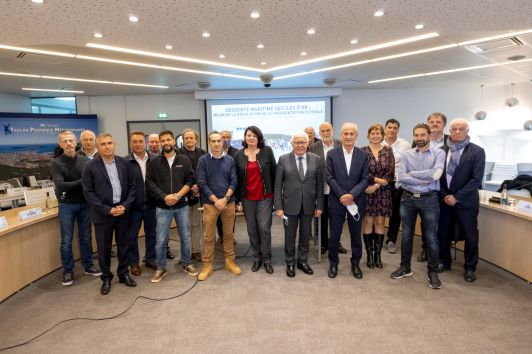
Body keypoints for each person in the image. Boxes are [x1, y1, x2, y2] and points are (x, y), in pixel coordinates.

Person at [391, 123, 445, 290]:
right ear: (413, 137)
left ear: (429, 135)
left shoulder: (439, 153)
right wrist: (423, 178)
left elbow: (436, 174)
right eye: (416, 135)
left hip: (429, 200)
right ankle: (405, 268)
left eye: (423, 135)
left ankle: (433, 272)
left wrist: (412, 174)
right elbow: (401, 177)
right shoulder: (407, 154)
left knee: (431, 238)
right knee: (406, 236)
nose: (419, 138)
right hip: (407, 199)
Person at [81, 133, 137, 295]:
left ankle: (123, 274)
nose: (107, 146)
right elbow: (88, 192)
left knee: (123, 245)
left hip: (122, 212)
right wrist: (107, 209)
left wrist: (125, 206)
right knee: (104, 249)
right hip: (102, 214)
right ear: (97, 147)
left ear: (114, 144)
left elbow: (133, 187)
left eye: (110, 143)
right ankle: (106, 278)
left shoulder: (124, 162)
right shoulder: (90, 166)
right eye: (103, 144)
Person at [146, 130, 198, 283]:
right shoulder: (154, 162)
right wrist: (165, 197)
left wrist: (178, 196)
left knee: (185, 237)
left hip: (181, 205)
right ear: (160, 143)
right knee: (161, 240)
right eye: (163, 141)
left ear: (174, 141)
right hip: (162, 206)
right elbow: (150, 183)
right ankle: (161, 268)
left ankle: (187, 264)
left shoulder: (184, 159)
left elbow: (190, 180)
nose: (166, 143)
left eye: (168, 140)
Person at [437, 118, 485, 282]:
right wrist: (446, 195)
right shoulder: (440, 150)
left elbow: (476, 180)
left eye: (461, 129)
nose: (457, 132)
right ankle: (444, 261)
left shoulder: (477, 152)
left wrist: (456, 197)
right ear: (449, 131)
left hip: (466, 202)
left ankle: (470, 268)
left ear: (467, 131)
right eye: (454, 129)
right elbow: (437, 177)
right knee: (443, 233)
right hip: (444, 200)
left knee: (470, 236)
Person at [51, 131, 101, 286]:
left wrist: (81, 183)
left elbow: (92, 181)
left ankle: (88, 265)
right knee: (66, 240)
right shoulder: (56, 163)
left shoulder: (84, 160)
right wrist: (82, 182)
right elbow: (60, 186)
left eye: (71, 140)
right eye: (65, 141)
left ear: (75, 142)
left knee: (86, 237)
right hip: (66, 206)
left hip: (85, 204)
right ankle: (67, 271)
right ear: (60, 144)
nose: (68, 144)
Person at [274, 131, 323, 277]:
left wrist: (319, 205)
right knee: (290, 235)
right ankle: (290, 262)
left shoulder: (316, 159)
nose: (300, 145)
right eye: (297, 142)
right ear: (292, 144)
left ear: (308, 144)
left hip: (309, 205)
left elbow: (320, 185)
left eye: (303, 142)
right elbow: (278, 186)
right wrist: (278, 207)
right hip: (289, 205)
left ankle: (302, 261)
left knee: (305, 235)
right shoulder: (283, 159)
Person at [196, 131, 241, 281]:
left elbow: (234, 181)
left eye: (218, 141)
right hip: (210, 203)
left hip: (228, 202)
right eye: (213, 141)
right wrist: (216, 200)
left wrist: (225, 198)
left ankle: (230, 261)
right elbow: (202, 183)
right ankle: (207, 265)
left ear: (223, 142)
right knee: (209, 236)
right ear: (208, 143)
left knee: (228, 235)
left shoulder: (230, 160)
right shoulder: (202, 160)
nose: (216, 143)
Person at [326, 123, 369, 279]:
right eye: (346, 133)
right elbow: (329, 178)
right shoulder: (331, 154)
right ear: (341, 135)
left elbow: (365, 179)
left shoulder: (363, 155)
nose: (349, 136)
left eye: (352, 134)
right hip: (336, 201)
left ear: (356, 136)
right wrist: (344, 196)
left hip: (356, 201)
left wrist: (352, 196)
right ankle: (333, 264)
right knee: (335, 234)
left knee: (355, 235)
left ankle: (355, 264)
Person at [234, 126, 276, 273]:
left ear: (259, 137)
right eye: (248, 135)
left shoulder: (267, 151)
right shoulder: (238, 155)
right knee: (252, 229)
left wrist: (277, 198)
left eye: (254, 135)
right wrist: (238, 200)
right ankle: (257, 258)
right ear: (245, 138)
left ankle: (267, 259)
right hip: (247, 198)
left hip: (266, 196)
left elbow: (274, 174)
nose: (251, 138)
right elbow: (237, 180)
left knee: (264, 228)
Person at [411, 113, 449, 262]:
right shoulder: (419, 141)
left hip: (444, 187)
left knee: (443, 221)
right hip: (425, 188)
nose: (434, 124)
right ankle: (426, 250)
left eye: (438, 122)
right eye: (432, 122)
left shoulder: (450, 141)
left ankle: (442, 253)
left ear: (444, 125)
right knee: (426, 221)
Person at [308, 122, 347, 255]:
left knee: (337, 219)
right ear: (319, 133)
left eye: (328, 130)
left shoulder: (340, 144)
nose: (326, 133)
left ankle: (336, 243)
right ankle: (324, 243)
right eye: (323, 131)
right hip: (322, 190)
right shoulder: (313, 147)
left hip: (338, 190)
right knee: (323, 219)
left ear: (333, 131)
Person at [361, 124, 395, 269]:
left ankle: (378, 256)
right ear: (368, 135)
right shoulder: (362, 151)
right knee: (368, 223)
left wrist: (378, 185)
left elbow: (390, 171)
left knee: (380, 224)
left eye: (378, 133)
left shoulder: (388, 150)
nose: (375, 135)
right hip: (367, 191)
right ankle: (369, 256)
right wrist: (375, 181)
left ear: (383, 135)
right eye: (372, 133)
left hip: (382, 192)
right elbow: (360, 171)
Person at [127, 130, 157, 276]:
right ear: (130, 143)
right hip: (133, 207)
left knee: (151, 234)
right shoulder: (125, 162)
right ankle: (133, 263)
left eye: (140, 141)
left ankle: (150, 259)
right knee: (132, 236)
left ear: (145, 143)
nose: (138, 144)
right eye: (135, 142)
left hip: (152, 205)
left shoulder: (155, 159)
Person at [177, 129, 207, 262]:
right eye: (186, 138)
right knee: (185, 225)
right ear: (183, 140)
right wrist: (189, 188)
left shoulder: (203, 154)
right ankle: (186, 252)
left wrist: (198, 187)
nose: (188, 140)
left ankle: (196, 250)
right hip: (183, 194)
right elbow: (177, 175)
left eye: (191, 138)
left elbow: (206, 173)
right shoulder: (177, 154)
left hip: (199, 194)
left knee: (196, 224)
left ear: (196, 140)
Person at [382, 119, 411, 254]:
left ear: (398, 130)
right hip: (381, 183)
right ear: (385, 128)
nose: (392, 130)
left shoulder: (405, 145)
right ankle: (377, 238)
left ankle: (391, 240)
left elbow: (410, 163)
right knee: (380, 212)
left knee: (395, 213)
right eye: (389, 127)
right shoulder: (378, 142)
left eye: (394, 128)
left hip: (397, 184)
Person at [147, 132, 173, 260]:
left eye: (156, 141)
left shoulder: (172, 156)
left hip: (166, 200)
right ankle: (152, 255)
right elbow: (150, 180)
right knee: (153, 231)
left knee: (164, 229)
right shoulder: (150, 159)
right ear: (148, 143)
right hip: (152, 198)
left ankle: (166, 250)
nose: (154, 144)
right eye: (151, 142)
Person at [217, 130, 240, 245]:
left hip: (232, 188)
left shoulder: (237, 152)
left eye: (228, 137)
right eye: (223, 137)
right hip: (217, 188)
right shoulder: (215, 152)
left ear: (231, 138)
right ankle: (221, 235)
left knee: (231, 215)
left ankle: (230, 235)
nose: (226, 139)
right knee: (218, 215)